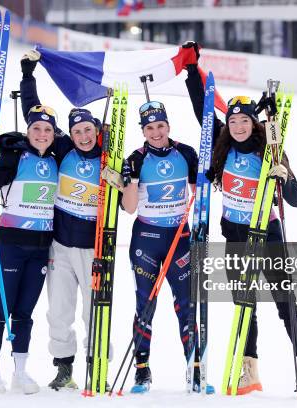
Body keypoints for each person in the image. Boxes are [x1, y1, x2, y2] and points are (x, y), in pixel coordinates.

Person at [183, 43, 297, 400]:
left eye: (245, 120)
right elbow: (202, 108)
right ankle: (250, 371)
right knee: (246, 306)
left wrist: (284, 177)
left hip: (269, 235)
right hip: (235, 238)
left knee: (284, 303)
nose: (239, 125)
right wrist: (190, 69)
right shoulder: (222, 147)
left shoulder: (268, 149)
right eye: (234, 120)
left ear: (254, 123)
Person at [19, 49, 112, 391]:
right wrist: (28, 74)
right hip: (60, 245)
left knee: (93, 311)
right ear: (70, 134)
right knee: (58, 312)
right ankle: (64, 368)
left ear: (96, 130)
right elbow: (34, 115)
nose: (83, 136)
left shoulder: (109, 155)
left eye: (88, 130)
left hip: (94, 248)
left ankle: (97, 362)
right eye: (78, 132)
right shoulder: (61, 149)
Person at [102, 96, 208, 394]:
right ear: (143, 131)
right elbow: (131, 207)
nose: (156, 132)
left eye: (160, 126)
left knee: (185, 304)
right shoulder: (135, 159)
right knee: (145, 303)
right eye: (149, 128)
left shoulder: (185, 153)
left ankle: (194, 366)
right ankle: (142, 369)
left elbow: (198, 197)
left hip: (180, 238)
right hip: (146, 240)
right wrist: (130, 180)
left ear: (168, 125)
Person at [0, 100, 59, 395]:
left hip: (41, 248)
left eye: (47, 129)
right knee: (0, 310)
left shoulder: (58, 159)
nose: (42, 134)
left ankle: (20, 372)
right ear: (29, 131)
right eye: (36, 129)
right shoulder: (14, 157)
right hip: (11, 244)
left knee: (25, 312)